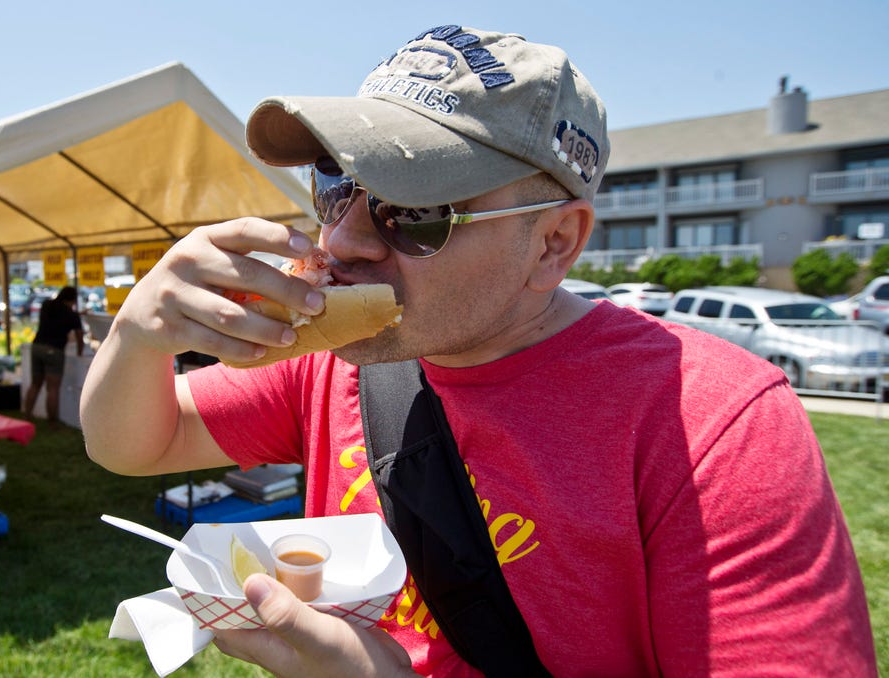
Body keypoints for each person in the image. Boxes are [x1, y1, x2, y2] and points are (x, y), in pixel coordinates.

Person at [80, 26, 875, 676]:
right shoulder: (335, 360)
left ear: (553, 243)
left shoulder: (716, 424)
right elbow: (132, 441)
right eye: (337, 183)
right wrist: (137, 334)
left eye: (414, 210)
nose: (342, 237)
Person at [24, 285, 83, 425]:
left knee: (35, 384)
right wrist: (79, 354)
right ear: (73, 300)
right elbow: (80, 337)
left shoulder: (47, 305)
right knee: (53, 388)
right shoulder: (71, 315)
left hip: (37, 346)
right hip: (54, 350)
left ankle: (27, 416)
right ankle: (52, 422)